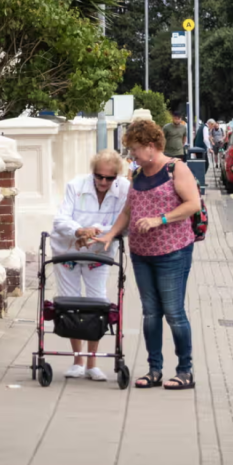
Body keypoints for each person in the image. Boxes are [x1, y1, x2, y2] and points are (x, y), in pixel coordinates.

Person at [93, 119, 200, 391]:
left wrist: (159, 220)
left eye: (136, 150)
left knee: (173, 313)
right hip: (141, 253)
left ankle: (185, 371)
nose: (132, 156)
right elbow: (128, 211)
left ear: (151, 147)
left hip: (173, 252)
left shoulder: (177, 168)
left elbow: (192, 204)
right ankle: (155, 370)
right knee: (151, 313)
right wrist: (110, 234)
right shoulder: (138, 175)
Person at [52, 149, 131, 381]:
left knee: (98, 303)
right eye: (99, 176)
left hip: (100, 253)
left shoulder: (124, 189)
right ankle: (77, 359)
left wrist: (96, 231)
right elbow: (60, 220)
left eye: (110, 178)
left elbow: (124, 225)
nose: (103, 182)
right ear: (93, 173)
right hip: (68, 250)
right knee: (70, 302)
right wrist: (79, 230)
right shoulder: (76, 186)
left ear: (117, 176)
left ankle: (92, 363)